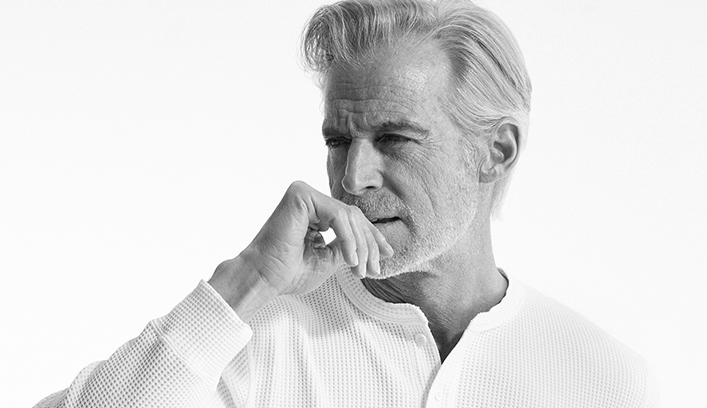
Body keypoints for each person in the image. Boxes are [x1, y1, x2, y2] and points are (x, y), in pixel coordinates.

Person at [35, 0, 659, 407]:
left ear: (495, 151)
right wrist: (245, 282)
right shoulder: (249, 340)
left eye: (395, 139)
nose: (353, 178)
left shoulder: (606, 380)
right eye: (338, 141)